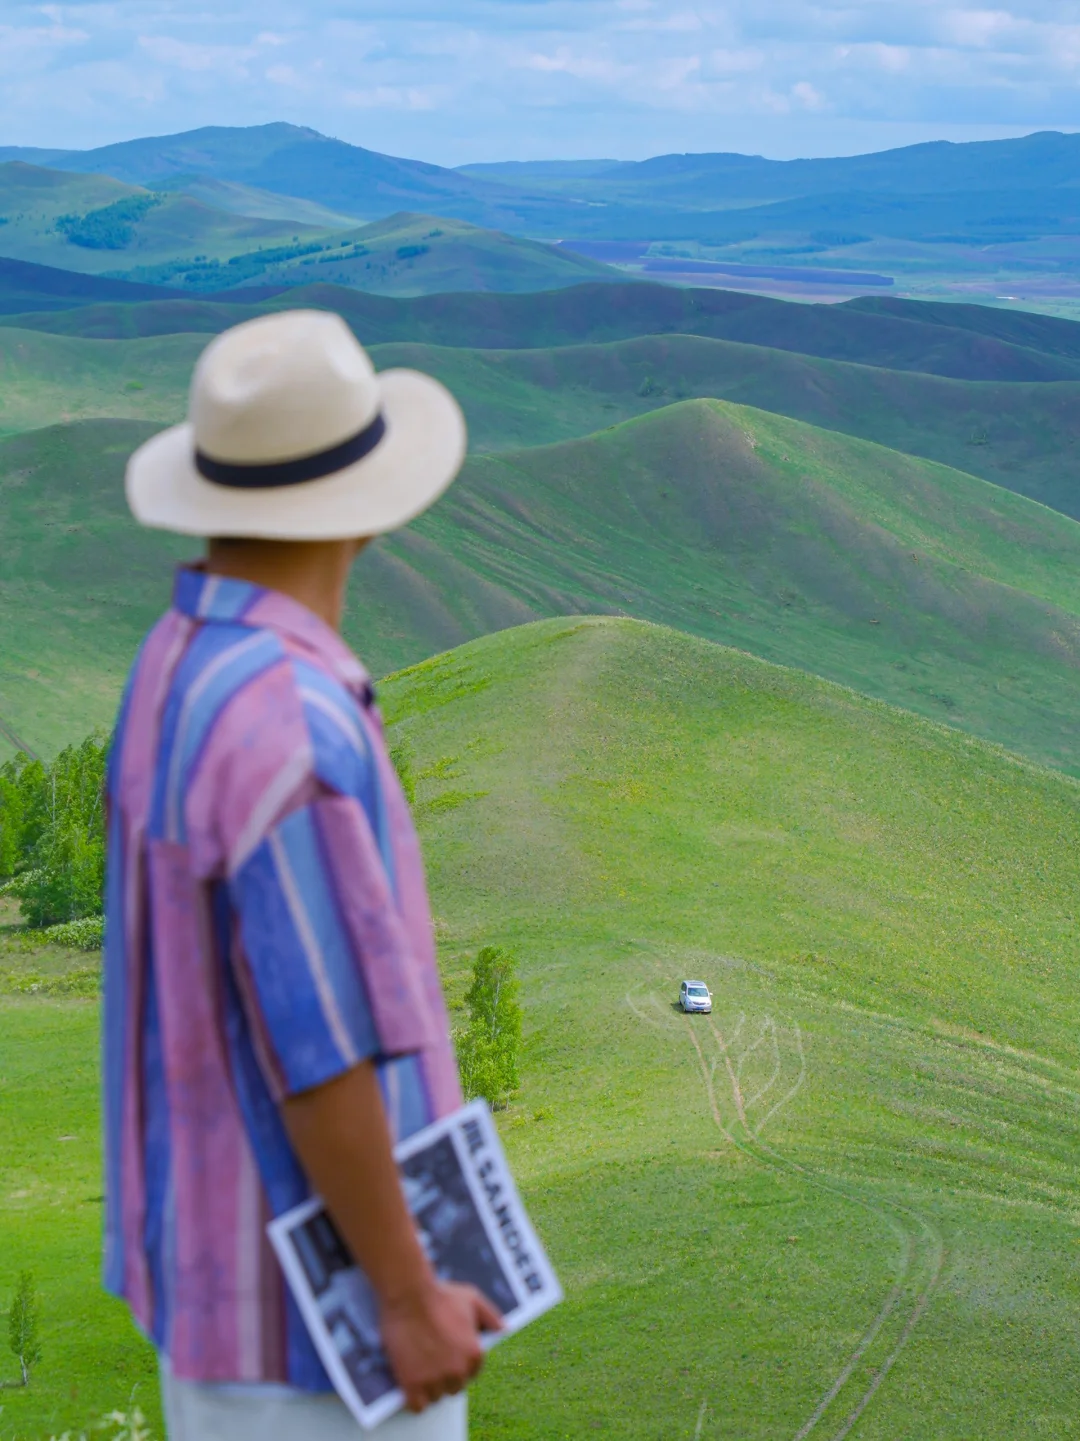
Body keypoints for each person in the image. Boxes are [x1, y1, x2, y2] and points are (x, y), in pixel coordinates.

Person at [102, 309, 501, 1441]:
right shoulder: (295, 727)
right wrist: (410, 1294)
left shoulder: (177, 660)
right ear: (365, 512)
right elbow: (319, 1052)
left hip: (213, 1287)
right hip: (319, 1342)